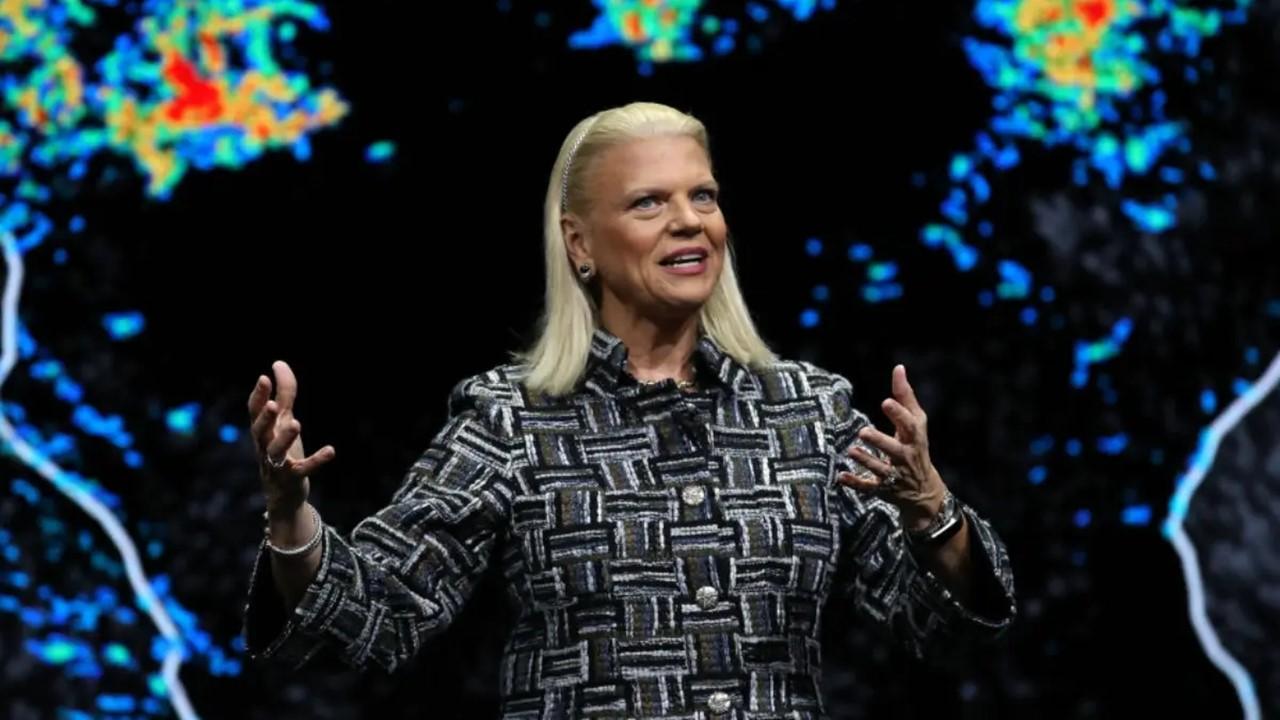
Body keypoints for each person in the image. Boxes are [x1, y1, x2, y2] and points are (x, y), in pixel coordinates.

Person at [242, 101, 1016, 718]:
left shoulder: (808, 412)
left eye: (702, 196)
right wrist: (290, 517)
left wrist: (932, 513)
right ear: (580, 244)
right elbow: (379, 617)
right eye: (650, 202)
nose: (690, 221)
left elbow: (942, 629)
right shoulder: (513, 419)